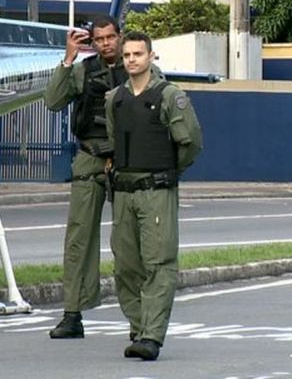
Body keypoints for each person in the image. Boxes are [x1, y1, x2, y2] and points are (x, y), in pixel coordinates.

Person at [105, 31, 203, 361]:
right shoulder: (114, 99)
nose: (132, 60)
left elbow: (190, 143)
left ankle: (152, 335)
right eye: (127, 55)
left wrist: (167, 171)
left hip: (156, 191)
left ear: (151, 56)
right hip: (124, 193)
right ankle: (139, 326)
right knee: (126, 266)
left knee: (158, 264)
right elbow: (114, 139)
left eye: (138, 54)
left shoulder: (169, 96)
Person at [42, 15, 127, 339]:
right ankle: (72, 313)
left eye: (110, 37)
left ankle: (141, 319)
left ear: (120, 36)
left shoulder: (137, 65)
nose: (105, 44)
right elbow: (52, 101)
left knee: (129, 241)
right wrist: (68, 59)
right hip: (90, 157)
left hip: (127, 161)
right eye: (99, 39)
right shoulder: (83, 70)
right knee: (78, 239)